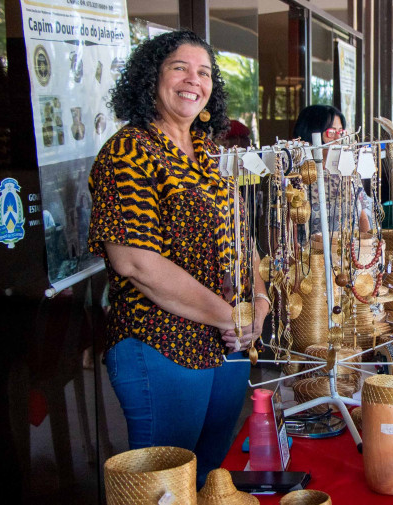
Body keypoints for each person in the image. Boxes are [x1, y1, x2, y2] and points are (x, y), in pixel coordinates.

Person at [88, 30, 265, 488]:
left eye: (204, 72)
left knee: (208, 478)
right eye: (179, 68)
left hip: (226, 344)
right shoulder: (128, 151)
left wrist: (258, 305)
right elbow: (136, 262)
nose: (194, 80)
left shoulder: (209, 152)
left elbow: (243, 239)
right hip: (161, 344)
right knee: (162, 488)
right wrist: (231, 315)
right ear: (152, 78)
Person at [292, 104, 371, 233]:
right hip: (310, 251)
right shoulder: (297, 175)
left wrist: (367, 246)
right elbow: (280, 226)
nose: (337, 138)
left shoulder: (347, 169)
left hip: (351, 249)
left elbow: (363, 218)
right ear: (311, 132)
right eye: (331, 132)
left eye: (340, 132)